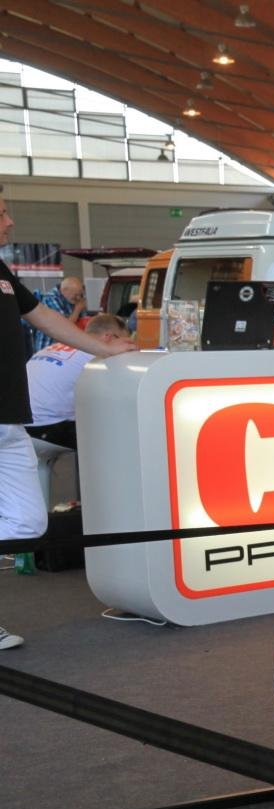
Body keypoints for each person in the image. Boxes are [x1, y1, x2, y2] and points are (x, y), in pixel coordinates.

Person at [0, 190, 137, 649]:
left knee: (27, 523)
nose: (10, 222)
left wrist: (104, 349)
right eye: (2, 213)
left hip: (11, 422)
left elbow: (41, 317)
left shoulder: (2, 272)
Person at [26, 312, 132, 450]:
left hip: (18, 425)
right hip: (45, 427)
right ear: (109, 337)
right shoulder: (98, 356)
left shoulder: (53, 347)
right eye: (123, 341)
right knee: (118, 434)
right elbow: (117, 397)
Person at [28, 275, 86, 353]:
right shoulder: (50, 299)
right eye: (75, 295)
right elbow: (63, 328)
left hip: (65, 347)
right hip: (49, 349)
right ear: (64, 290)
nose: (78, 298)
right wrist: (77, 310)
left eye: (80, 295)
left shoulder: (71, 299)